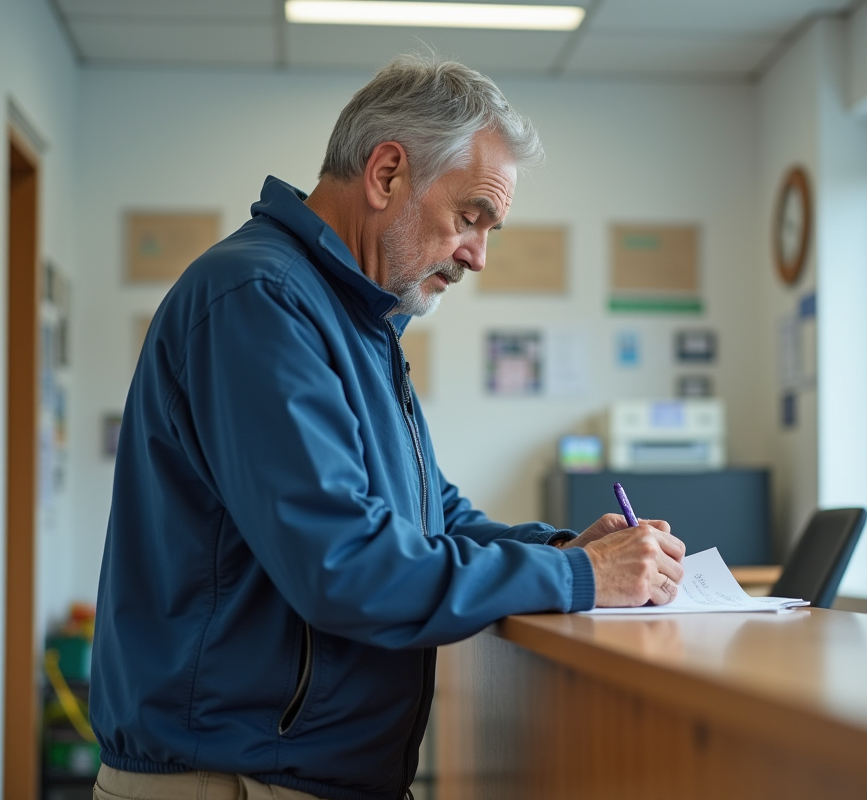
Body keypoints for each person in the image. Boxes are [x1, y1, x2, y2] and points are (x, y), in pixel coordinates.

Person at [90, 54, 686, 800]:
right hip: (235, 778)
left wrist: (565, 548)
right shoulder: (260, 300)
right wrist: (578, 578)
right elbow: (344, 565)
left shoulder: (357, 321)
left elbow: (433, 517)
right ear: (387, 174)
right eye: (470, 218)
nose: (478, 254)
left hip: (302, 772)